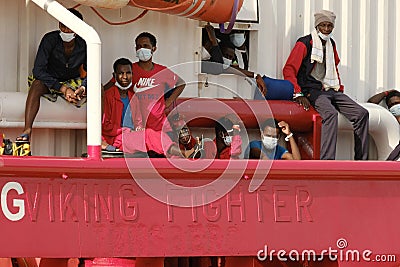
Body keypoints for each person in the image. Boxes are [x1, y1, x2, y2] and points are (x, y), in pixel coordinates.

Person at [283, 10, 369, 160]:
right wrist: (298, 93)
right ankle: (327, 160)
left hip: (330, 89)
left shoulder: (331, 44)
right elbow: (289, 69)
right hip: (311, 90)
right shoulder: (304, 43)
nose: (327, 29)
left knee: (361, 114)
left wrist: (339, 89)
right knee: (330, 114)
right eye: (323, 25)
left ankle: (362, 160)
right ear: (317, 26)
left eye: (330, 26)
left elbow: (333, 69)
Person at [17, 8, 87, 143]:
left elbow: (92, 73)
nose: (66, 30)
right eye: (63, 25)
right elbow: (38, 70)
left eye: (70, 26)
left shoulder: (85, 43)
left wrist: (82, 89)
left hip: (73, 81)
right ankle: (27, 130)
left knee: (98, 87)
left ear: (78, 28)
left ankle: (98, 136)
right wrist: (63, 89)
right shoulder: (50, 39)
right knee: (36, 84)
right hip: (50, 80)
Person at [130, 32, 186, 133]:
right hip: (137, 125)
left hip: (159, 125)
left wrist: (168, 102)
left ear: (154, 48)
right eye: (139, 46)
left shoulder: (162, 71)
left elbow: (181, 83)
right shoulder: (129, 70)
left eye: (146, 46)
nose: (141, 49)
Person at [102, 58, 134, 152]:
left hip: (130, 138)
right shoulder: (108, 96)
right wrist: (127, 131)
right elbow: (106, 127)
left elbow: (138, 123)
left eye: (128, 73)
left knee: (149, 135)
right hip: (113, 140)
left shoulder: (134, 98)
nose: (125, 77)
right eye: (121, 73)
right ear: (114, 75)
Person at [368, 90, 400, 160]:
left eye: (397, 103)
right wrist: (386, 93)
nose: (395, 106)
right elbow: (371, 103)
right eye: (391, 105)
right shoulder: (389, 118)